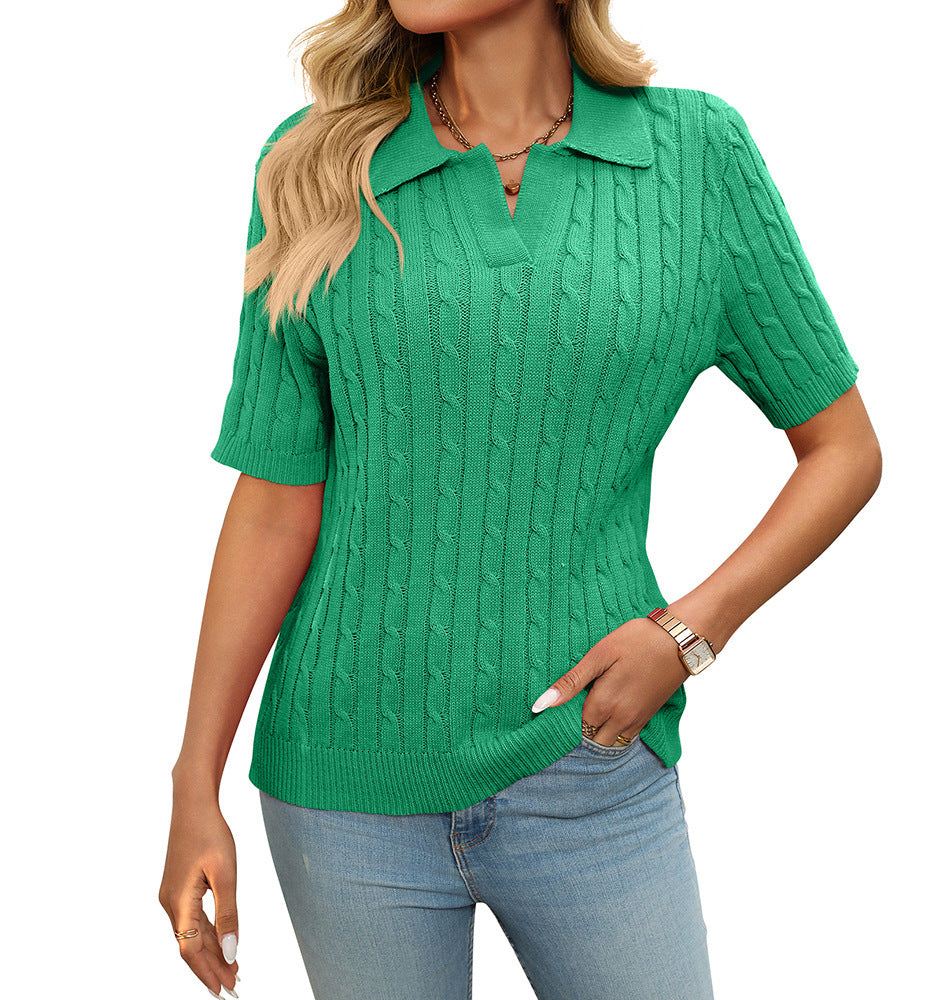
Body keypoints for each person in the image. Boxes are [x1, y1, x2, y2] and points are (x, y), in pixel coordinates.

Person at [159, 1, 882, 998]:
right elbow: (278, 499)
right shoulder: (315, 163)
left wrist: (686, 634)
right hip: (344, 788)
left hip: (589, 758)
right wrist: (193, 781)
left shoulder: (695, 156)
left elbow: (843, 448)